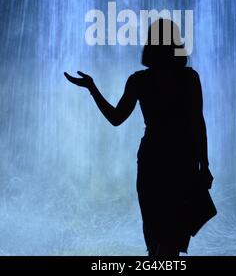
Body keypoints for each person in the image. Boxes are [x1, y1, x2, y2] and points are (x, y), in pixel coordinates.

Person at [64, 18, 216, 257]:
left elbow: (116, 118)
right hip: (181, 162)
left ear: (151, 47)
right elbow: (198, 123)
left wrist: (92, 88)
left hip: (152, 161)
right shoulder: (189, 78)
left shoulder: (140, 80)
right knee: (172, 239)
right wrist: (204, 165)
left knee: (154, 234)